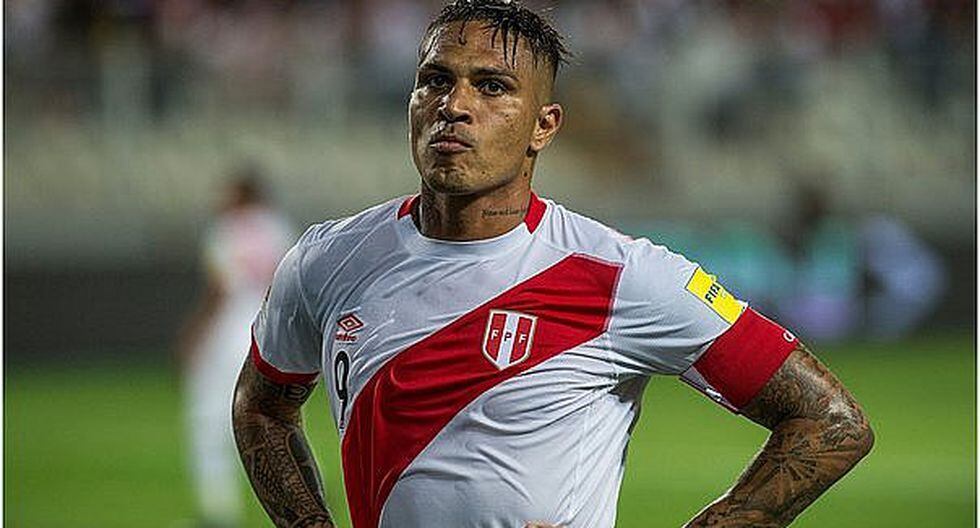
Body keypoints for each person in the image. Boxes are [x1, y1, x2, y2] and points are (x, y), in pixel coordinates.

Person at [231, 2, 873, 527]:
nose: (454, 105)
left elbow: (831, 423)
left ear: (544, 125)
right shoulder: (327, 259)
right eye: (435, 80)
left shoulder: (620, 277)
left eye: (492, 86)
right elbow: (261, 407)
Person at [177, 167, 295, 527]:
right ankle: (303, 487)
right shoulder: (276, 226)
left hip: (229, 330)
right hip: (267, 329)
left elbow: (221, 289)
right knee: (272, 415)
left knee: (209, 419)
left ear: (241, 193)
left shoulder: (226, 229)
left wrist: (194, 334)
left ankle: (217, 512)